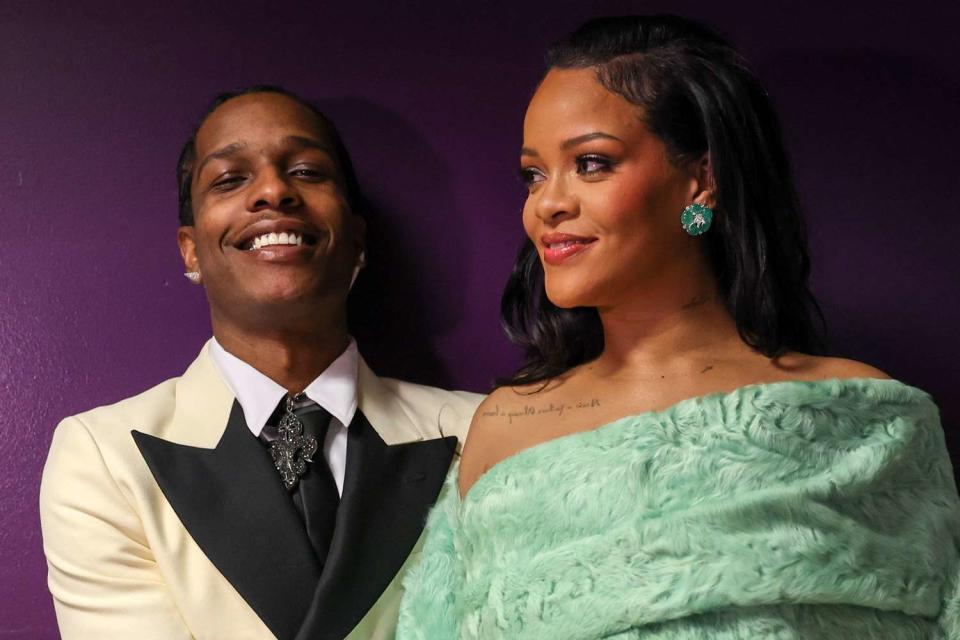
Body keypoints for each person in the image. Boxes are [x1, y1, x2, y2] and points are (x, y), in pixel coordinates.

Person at [398, 15, 960, 639]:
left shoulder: (860, 419)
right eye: (534, 173)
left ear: (703, 179)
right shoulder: (504, 427)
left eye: (590, 163)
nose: (547, 203)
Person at [39, 86, 482, 640]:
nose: (274, 190)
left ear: (357, 240)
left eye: (307, 171)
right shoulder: (102, 456)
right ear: (191, 249)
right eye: (229, 179)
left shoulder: (483, 432)